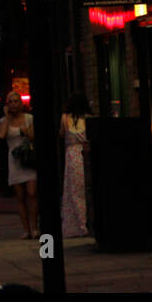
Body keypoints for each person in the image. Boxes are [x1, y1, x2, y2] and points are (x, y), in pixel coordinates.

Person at [0, 92, 38, 238]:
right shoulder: (5, 120)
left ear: (21, 104)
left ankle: (35, 227)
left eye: (16, 101)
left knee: (32, 193)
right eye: (11, 102)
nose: (14, 104)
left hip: (28, 158)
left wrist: (26, 132)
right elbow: (1, 135)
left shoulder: (29, 119)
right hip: (14, 160)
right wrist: (8, 117)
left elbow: (34, 137)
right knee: (20, 196)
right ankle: (26, 229)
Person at [60, 92, 91, 238]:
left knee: (74, 191)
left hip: (72, 155)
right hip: (85, 153)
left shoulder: (65, 118)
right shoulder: (88, 119)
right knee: (86, 189)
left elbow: (61, 134)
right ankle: (88, 222)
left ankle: (78, 224)